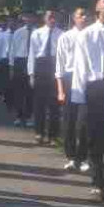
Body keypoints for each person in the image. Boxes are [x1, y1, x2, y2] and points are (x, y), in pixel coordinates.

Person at [72, 0, 104, 202]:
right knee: (94, 137)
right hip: (94, 89)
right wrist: (79, 96)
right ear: (97, 8)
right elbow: (80, 66)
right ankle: (97, 182)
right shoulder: (87, 34)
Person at [56, 7, 89, 172]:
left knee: (84, 121)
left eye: (86, 15)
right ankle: (70, 156)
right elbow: (60, 65)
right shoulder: (66, 37)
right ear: (74, 18)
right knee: (69, 120)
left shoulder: (91, 35)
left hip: (86, 79)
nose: (84, 17)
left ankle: (83, 157)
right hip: (69, 78)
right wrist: (60, 89)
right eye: (80, 15)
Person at [28, 10, 63, 145]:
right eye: (50, 17)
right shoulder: (37, 33)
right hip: (41, 66)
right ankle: (39, 133)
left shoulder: (62, 34)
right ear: (44, 18)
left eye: (54, 17)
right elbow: (32, 54)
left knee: (54, 104)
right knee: (39, 104)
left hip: (55, 66)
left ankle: (53, 136)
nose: (52, 19)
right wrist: (31, 74)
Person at [8, 12, 36, 127]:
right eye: (27, 17)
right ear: (24, 19)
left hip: (32, 62)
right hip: (20, 61)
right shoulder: (18, 32)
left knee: (31, 91)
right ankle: (19, 116)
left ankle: (29, 116)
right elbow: (12, 50)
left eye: (31, 17)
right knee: (19, 91)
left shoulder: (37, 33)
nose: (29, 19)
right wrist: (11, 66)